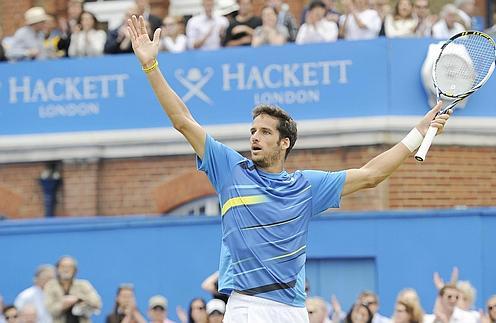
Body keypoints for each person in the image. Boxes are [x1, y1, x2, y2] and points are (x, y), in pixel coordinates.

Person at [126, 14, 450, 323]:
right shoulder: (229, 169)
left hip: (293, 309)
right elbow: (183, 121)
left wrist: (417, 133)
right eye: (253, 131)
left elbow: (371, 175)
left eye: (265, 132)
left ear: (284, 143)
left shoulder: (307, 186)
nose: (255, 137)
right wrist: (150, 65)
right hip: (246, 305)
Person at [44, 256, 102, 323]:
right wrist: (63, 305)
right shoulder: (51, 286)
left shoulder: (83, 285)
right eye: (63, 266)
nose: (66, 269)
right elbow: (50, 310)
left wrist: (78, 299)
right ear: (57, 269)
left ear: (75, 270)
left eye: (70, 267)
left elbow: (97, 303)